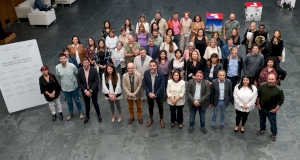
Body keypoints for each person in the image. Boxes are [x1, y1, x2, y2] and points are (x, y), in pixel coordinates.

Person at [56, 53, 84, 121]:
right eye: (61, 58)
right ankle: (70, 112)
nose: (63, 60)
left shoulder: (72, 66)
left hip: (74, 87)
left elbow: (76, 73)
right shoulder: (57, 67)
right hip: (65, 88)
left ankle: (81, 111)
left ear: (66, 58)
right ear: (59, 59)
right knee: (69, 101)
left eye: (64, 58)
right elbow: (59, 76)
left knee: (77, 100)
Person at [256, 74, 284, 141]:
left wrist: (275, 110)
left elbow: (281, 101)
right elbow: (258, 96)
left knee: (273, 122)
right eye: (269, 79)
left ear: (275, 80)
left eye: (272, 79)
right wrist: (258, 104)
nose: (270, 81)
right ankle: (262, 129)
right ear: (267, 79)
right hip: (262, 108)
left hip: (271, 110)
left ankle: (274, 133)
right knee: (262, 120)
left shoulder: (279, 90)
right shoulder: (262, 85)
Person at [77, 58, 102, 124]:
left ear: (89, 63)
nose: (85, 64)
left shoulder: (94, 70)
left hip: (93, 90)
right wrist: (85, 91)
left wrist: (90, 91)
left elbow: (97, 81)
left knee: (95, 103)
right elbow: (79, 82)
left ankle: (99, 115)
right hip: (85, 91)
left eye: (86, 62)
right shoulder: (79, 70)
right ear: (82, 63)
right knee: (87, 104)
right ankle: (87, 116)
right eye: (84, 63)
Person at [143, 60, 165, 128]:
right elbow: (144, 84)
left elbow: (162, 85)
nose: (152, 67)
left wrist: (155, 94)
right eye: (151, 66)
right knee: (150, 107)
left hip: (159, 95)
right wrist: (149, 93)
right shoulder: (146, 73)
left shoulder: (161, 74)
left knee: (160, 107)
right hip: (149, 95)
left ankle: (161, 119)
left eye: (153, 66)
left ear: (156, 66)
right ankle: (151, 119)